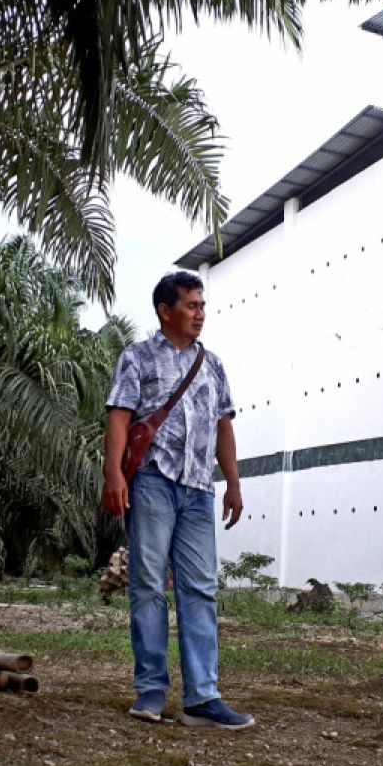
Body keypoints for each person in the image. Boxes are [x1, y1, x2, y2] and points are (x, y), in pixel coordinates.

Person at [101, 271, 253, 730]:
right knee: (147, 585)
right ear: (165, 311)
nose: (199, 313)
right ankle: (150, 691)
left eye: (202, 305)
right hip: (151, 483)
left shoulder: (213, 365)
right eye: (190, 305)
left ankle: (202, 698)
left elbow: (224, 426)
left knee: (200, 590)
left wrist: (234, 483)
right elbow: (120, 417)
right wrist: (113, 474)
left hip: (198, 491)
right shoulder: (137, 357)